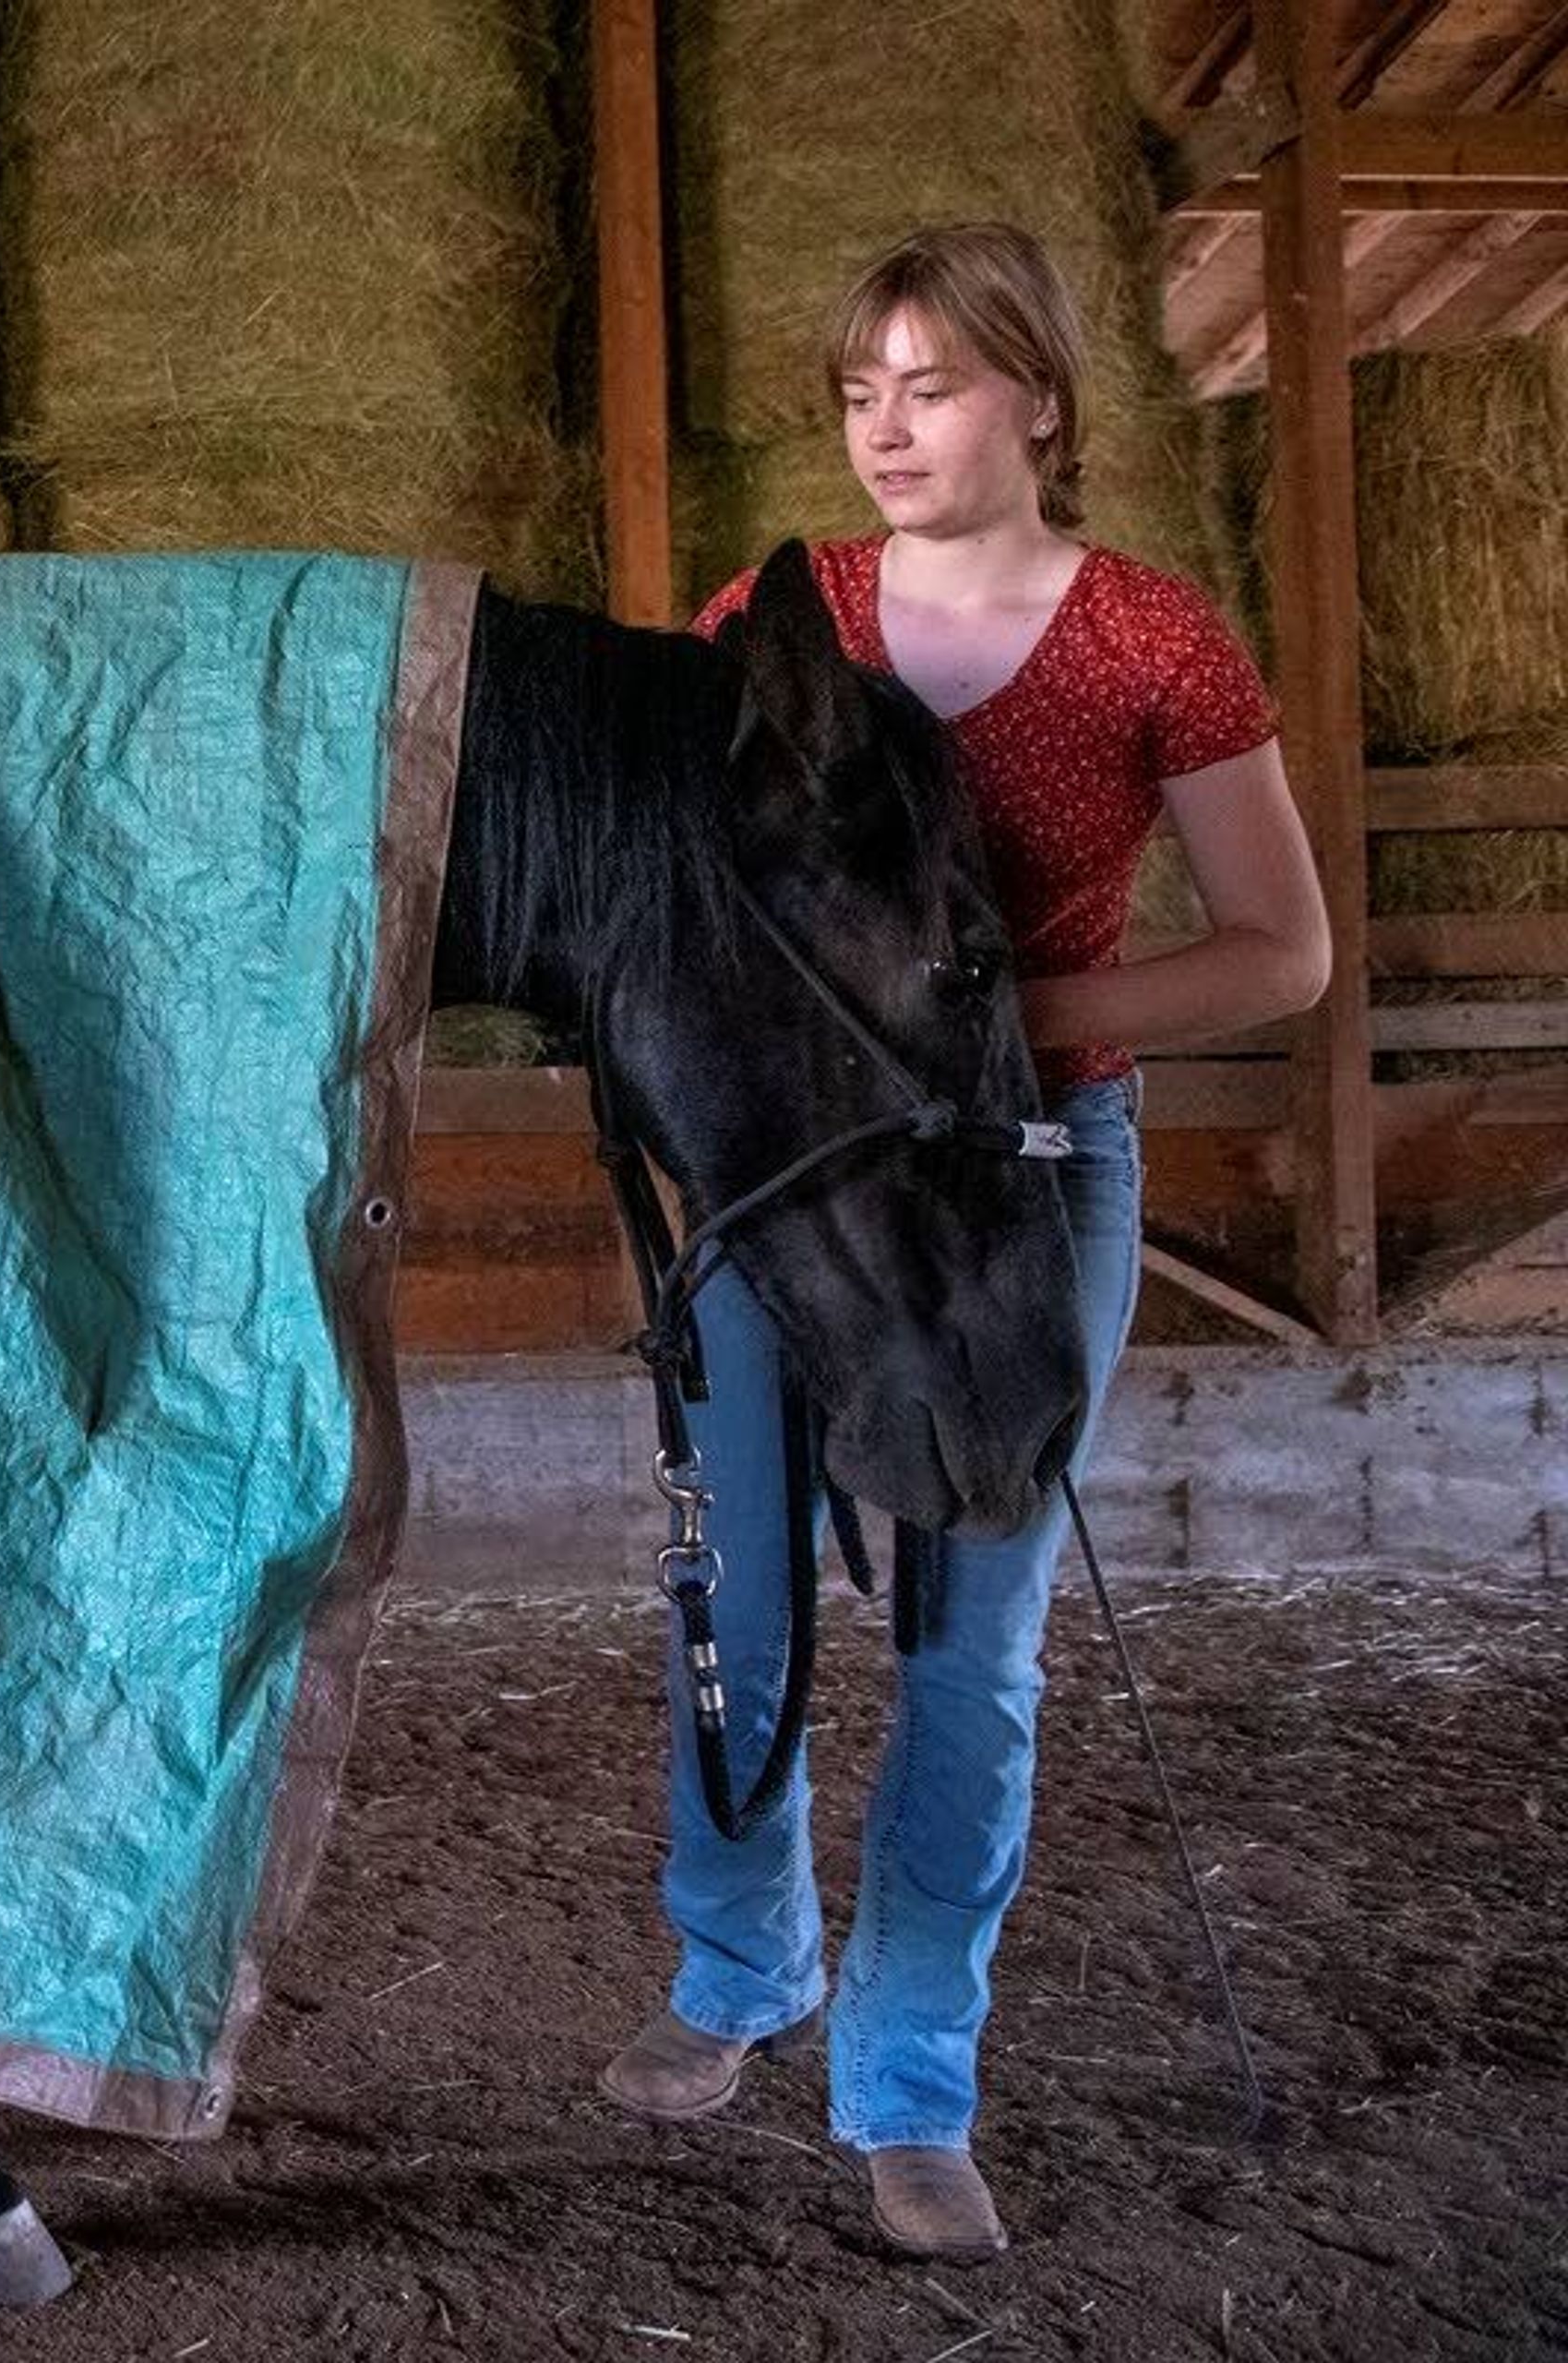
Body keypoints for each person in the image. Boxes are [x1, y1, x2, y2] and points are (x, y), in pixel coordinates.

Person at [600, 222, 1331, 2261]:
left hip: (1026, 1172)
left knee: (970, 1648)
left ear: (1040, 398)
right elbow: (687, 881)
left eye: (930, 384)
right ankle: (740, 1969)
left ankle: (915, 2075)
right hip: (783, 1183)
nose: (888, 426)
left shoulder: (1153, 641)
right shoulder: (775, 615)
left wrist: (1017, 1026)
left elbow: (1288, 943)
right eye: (861, 391)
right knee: (736, 1594)